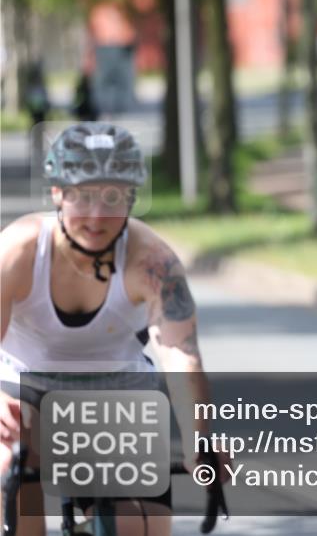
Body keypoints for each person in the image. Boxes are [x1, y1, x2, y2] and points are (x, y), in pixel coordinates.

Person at [0, 123, 224, 536]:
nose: (97, 215)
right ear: (57, 194)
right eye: (83, 196)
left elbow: (181, 355)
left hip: (117, 388)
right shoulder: (18, 251)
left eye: (113, 197)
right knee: (9, 469)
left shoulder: (153, 262)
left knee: (141, 526)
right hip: (21, 384)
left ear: (131, 198)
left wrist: (199, 439)